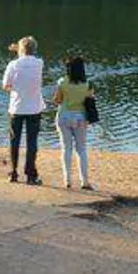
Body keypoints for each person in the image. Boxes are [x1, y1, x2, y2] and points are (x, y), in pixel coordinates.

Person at [2, 35, 45, 185]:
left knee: (14, 141)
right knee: (32, 142)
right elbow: (28, 58)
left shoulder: (12, 65)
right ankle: (30, 175)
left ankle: (13, 173)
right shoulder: (39, 63)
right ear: (34, 49)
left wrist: (15, 89)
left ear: (20, 50)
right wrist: (20, 49)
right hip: (34, 108)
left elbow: (5, 85)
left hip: (17, 107)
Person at [53, 56, 95, 190]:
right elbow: (90, 101)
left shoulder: (62, 82)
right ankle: (85, 181)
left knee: (66, 149)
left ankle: (67, 181)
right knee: (81, 149)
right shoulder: (88, 84)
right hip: (80, 118)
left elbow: (58, 100)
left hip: (64, 116)